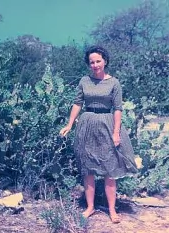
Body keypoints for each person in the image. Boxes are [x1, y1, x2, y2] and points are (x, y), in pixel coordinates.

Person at [59, 45, 138, 224]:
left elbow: (118, 109)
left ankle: (112, 209)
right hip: (86, 124)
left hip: (106, 124)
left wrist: (116, 133)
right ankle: (90, 207)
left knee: (109, 169)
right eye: (92, 62)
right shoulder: (84, 81)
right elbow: (77, 103)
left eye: (98, 61)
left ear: (105, 61)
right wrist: (70, 124)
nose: (95, 65)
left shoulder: (114, 83)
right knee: (87, 169)